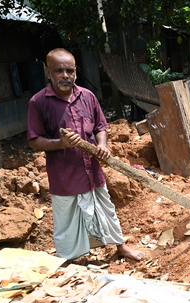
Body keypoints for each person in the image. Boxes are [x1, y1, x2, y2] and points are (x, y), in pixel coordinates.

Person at [27, 48, 143, 261]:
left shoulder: (87, 96)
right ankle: (69, 259)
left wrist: (102, 145)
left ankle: (121, 247)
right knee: (67, 220)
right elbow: (34, 140)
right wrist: (60, 143)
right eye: (58, 70)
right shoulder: (38, 102)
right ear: (48, 72)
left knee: (105, 209)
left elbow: (100, 126)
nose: (65, 76)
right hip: (64, 175)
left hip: (92, 170)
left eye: (69, 70)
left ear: (76, 72)